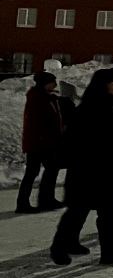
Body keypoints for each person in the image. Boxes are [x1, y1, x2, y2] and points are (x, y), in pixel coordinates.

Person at [50, 68, 113, 266]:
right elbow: (79, 140)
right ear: (102, 85)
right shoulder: (92, 108)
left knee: (104, 213)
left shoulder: (112, 105)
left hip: (108, 169)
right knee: (82, 212)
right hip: (91, 170)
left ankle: (111, 249)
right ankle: (64, 248)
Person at [18, 71, 66, 213]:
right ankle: (28, 202)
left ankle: (45, 199)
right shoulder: (38, 99)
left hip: (43, 142)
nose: (55, 84)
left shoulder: (46, 98)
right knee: (37, 171)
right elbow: (38, 123)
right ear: (45, 83)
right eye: (52, 82)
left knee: (48, 170)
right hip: (39, 143)